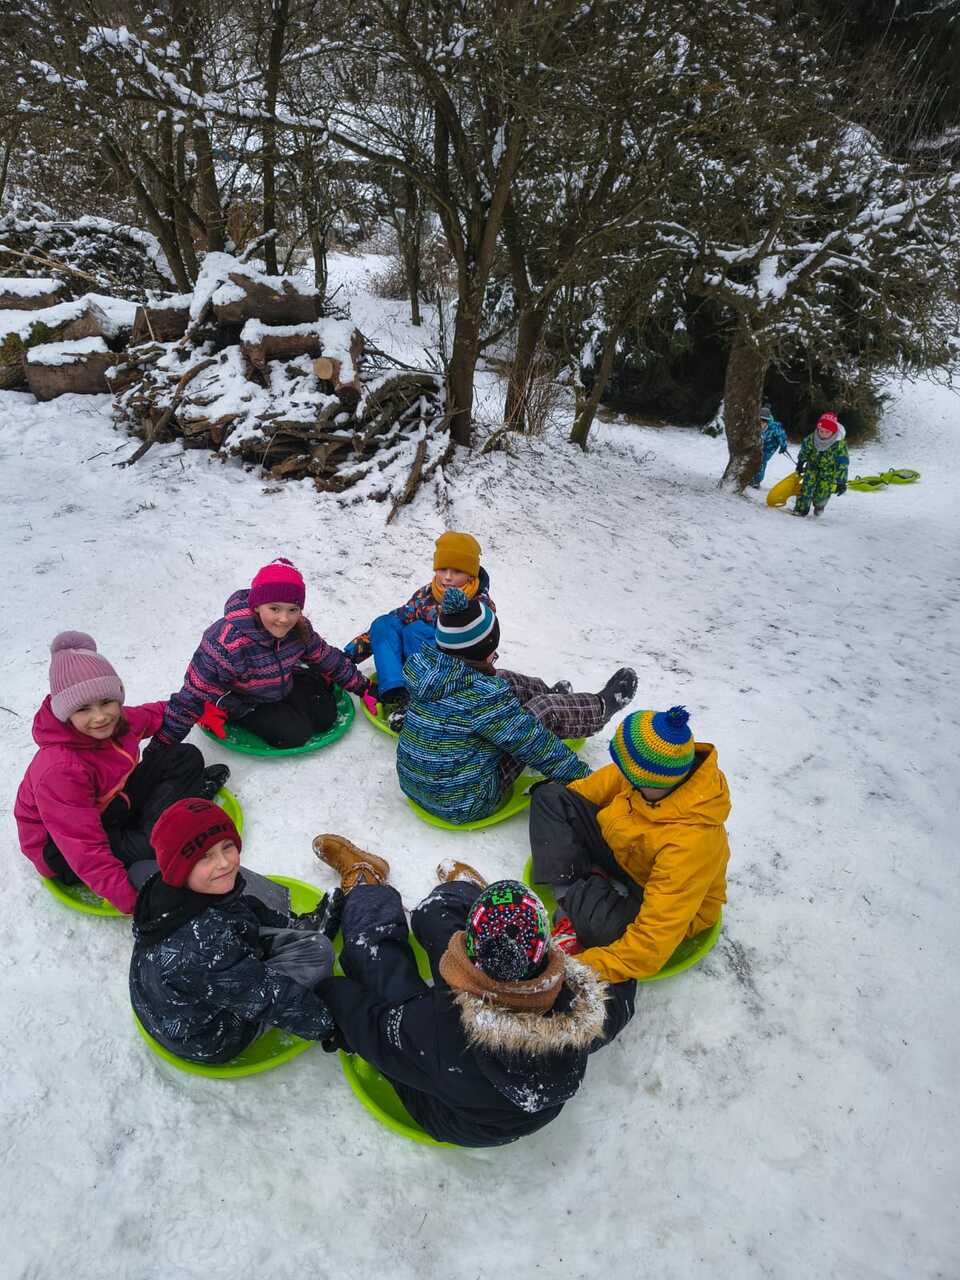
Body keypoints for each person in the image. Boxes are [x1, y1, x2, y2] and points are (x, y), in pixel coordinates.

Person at [313, 834, 636, 1148]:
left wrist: (326, 990)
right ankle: (463, 892)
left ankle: (365, 883)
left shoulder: (435, 1031)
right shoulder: (582, 1007)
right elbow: (619, 1002)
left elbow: (367, 1025)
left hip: (456, 1115)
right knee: (433, 916)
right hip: (504, 1090)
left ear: (468, 951)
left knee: (373, 960)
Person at [15, 631, 229, 914]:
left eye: (106, 701)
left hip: (110, 805)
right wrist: (131, 901)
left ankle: (162, 821)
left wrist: (198, 710)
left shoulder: (117, 722)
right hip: (62, 849)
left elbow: (154, 714)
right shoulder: (61, 770)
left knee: (183, 756)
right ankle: (163, 825)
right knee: (161, 846)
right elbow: (83, 847)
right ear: (66, 714)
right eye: (83, 708)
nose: (100, 716)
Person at [396, 586, 638, 824]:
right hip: (466, 802)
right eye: (492, 651)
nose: (494, 656)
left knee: (502, 679)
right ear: (483, 649)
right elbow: (534, 745)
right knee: (544, 710)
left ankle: (554, 695)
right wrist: (590, 785)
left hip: (415, 784)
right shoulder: (482, 698)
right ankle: (599, 709)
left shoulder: (427, 671)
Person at [130, 798, 340, 1066]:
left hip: (178, 998)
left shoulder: (170, 890)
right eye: (204, 856)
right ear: (179, 867)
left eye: (227, 846)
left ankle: (285, 932)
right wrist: (330, 1025)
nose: (223, 862)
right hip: (209, 1035)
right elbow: (267, 998)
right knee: (318, 951)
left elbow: (240, 907)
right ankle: (287, 941)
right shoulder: (203, 946)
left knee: (239, 884)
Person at [529, 706, 730, 983]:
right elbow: (580, 794)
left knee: (602, 930)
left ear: (642, 776)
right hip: (626, 853)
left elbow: (648, 947)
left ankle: (580, 897)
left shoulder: (691, 844)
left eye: (625, 768)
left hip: (661, 900)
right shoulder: (649, 774)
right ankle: (579, 893)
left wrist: (575, 968)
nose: (620, 772)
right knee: (550, 797)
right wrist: (564, 824)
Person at [154, 557, 374, 750]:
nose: (284, 619)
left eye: (293, 609)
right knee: (295, 734)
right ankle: (242, 715)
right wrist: (161, 748)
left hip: (282, 684)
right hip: (245, 700)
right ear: (257, 606)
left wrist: (364, 688)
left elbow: (326, 658)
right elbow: (191, 696)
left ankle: (305, 688)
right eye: (274, 608)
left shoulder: (299, 628)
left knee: (325, 717)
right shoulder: (226, 643)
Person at [343, 531, 495, 733]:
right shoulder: (427, 594)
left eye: (457, 571)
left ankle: (417, 703)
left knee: (416, 631)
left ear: (471, 574)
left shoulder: (479, 607)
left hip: (447, 676)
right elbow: (399, 618)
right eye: (442, 569)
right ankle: (396, 690)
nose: (447, 577)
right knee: (384, 624)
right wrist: (345, 659)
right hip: (414, 663)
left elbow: (481, 652)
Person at [795, 411, 849, 517]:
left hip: (828, 473)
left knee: (822, 493)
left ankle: (819, 506)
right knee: (806, 488)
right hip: (812, 468)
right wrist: (801, 462)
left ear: (833, 431)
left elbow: (842, 464)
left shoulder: (839, 445)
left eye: (827, 432)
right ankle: (801, 509)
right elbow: (805, 450)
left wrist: (841, 482)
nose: (823, 434)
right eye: (821, 431)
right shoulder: (812, 438)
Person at [750, 403, 788, 487]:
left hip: (770, 447)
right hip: (760, 444)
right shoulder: (756, 426)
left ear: (767, 421)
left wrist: (783, 446)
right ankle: (751, 476)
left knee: (762, 461)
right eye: (760, 421)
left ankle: (757, 481)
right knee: (753, 459)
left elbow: (782, 436)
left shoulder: (775, 427)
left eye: (764, 421)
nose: (761, 423)